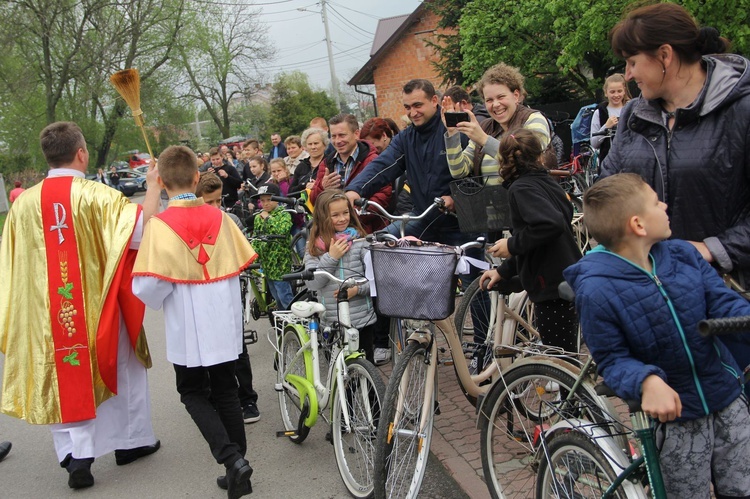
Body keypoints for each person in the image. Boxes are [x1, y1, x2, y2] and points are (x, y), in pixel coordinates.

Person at [565, 173, 750, 498]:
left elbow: (721, 300)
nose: (665, 206)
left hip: (726, 394)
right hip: (676, 417)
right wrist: (647, 381)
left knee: (742, 485)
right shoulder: (596, 290)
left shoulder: (681, 254)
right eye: (656, 202)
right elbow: (612, 358)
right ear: (638, 224)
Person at [0, 122, 161, 489]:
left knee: (60, 374)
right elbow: (140, 232)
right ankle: (129, 443)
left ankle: (72, 452)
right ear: (82, 153)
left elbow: (10, 264)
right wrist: (152, 187)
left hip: (45, 316)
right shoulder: (97, 195)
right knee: (121, 368)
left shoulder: (22, 204)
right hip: (95, 309)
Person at [132, 145, 256, 499]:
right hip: (222, 317)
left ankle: (232, 460)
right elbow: (237, 265)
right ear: (196, 178)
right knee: (226, 390)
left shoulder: (160, 226)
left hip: (188, 322)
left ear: (161, 180)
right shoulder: (220, 218)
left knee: (190, 391)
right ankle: (238, 470)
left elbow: (150, 284)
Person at [480, 129, 581, 354]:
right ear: (539, 156)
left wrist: (511, 245)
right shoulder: (546, 181)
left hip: (552, 286)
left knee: (561, 359)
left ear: (503, 161)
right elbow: (541, 237)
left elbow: (550, 225)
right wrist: (504, 271)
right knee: (565, 351)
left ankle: (568, 390)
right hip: (566, 274)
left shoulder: (521, 188)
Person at [443, 63, 554, 184]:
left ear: (516, 95)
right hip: (493, 201)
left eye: (501, 97)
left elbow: (529, 162)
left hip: (530, 200)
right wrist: (452, 133)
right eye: (489, 100)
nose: (495, 104)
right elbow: (458, 171)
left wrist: (484, 140)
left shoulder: (533, 119)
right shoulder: (485, 127)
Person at [303, 190, 376, 363]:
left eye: (345, 213)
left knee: (366, 368)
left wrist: (357, 289)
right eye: (335, 215)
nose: (342, 218)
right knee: (338, 373)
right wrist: (331, 257)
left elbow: (374, 279)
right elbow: (313, 284)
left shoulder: (360, 242)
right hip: (331, 321)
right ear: (323, 217)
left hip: (362, 320)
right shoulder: (315, 247)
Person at [310, 113, 391, 234]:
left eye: (342, 135)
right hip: (333, 235)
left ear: (356, 134)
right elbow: (314, 201)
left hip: (367, 233)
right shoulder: (327, 163)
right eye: (334, 136)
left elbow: (383, 196)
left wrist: (351, 217)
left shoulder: (373, 161)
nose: (338, 141)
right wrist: (323, 187)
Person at [250, 182, 294, 311]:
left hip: (280, 264)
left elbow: (282, 231)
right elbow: (257, 238)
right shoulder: (259, 217)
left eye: (269, 200)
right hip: (267, 264)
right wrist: (253, 255)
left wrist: (268, 218)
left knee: (284, 295)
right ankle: (282, 321)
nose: (265, 203)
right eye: (262, 201)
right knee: (276, 296)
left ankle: (293, 320)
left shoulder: (284, 214)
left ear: (277, 199)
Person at [590, 73, 631, 163]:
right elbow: (594, 143)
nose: (616, 95)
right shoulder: (599, 113)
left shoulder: (632, 110)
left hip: (630, 161)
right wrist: (606, 126)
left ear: (624, 91)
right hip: (609, 163)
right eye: (612, 92)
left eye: (619, 91)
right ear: (606, 93)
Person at [289, 127, 328, 194]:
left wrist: (317, 186)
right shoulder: (301, 166)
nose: (313, 147)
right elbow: (290, 192)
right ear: (305, 147)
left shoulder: (330, 163)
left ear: (324, 145)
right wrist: (304, 185)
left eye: (316, 143)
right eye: (310, 144)